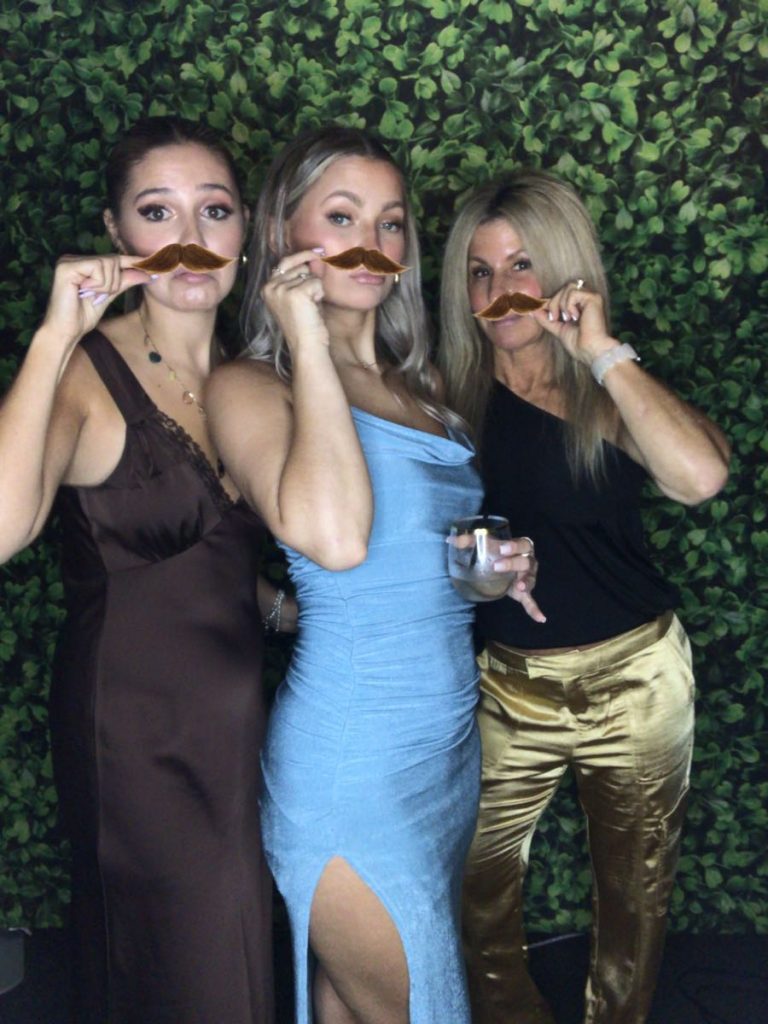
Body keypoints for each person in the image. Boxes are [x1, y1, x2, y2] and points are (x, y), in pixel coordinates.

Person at [206, 126, 537, 1024]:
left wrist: (495, 569)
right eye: (341, 216)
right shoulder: (247, 388)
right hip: (350, 764)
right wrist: (308, 338)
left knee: (357, 1007)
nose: (372, 244)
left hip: (445, 747)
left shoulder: (421, 382)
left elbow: (420, 547)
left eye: (392, 224)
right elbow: (334, 540)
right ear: (286, 235)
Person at [0, 117, 289, 1023]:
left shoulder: (254, 378)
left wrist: (297, 609)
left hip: (244, 732)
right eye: (158, 212)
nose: (193, 241)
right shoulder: (87, 373)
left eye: (216, 210)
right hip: (135, 735)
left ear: (246, 230)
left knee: (241, 953)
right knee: (176, 968)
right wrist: (54, 337)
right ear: (116, 232)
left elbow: (222, 560)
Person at [438, 171, 730, 1024]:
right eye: (480, 271)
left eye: (523, 265)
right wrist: (473, 566)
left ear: (564, 270)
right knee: (476, 887)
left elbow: (702, 476)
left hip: (635, 677)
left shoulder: (605, 390)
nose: (500, 292)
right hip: (505, 686)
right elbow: (420, 544)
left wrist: (600, 348)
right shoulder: (443, 398)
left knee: (634, 896)